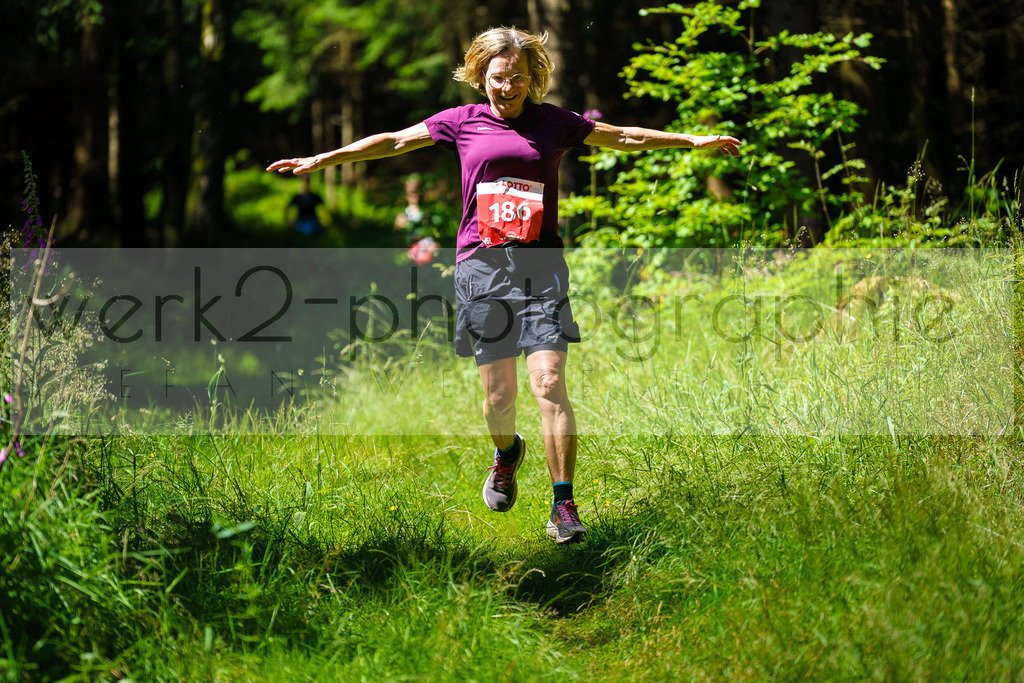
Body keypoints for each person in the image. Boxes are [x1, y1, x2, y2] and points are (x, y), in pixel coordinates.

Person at [268, 27, 740, 544]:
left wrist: (691, 140)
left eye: (516, 77)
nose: (506, 87)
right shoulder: (460, 123)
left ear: (531, 77)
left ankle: (563, 505)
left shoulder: (553, 123)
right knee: (498, 400)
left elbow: (624, 135)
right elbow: (395, 141)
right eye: (496, 77)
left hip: (541, 270)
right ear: (479, 76)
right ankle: (507, 452)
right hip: (481, 269)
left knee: (548, 385)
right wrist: (322, 160)